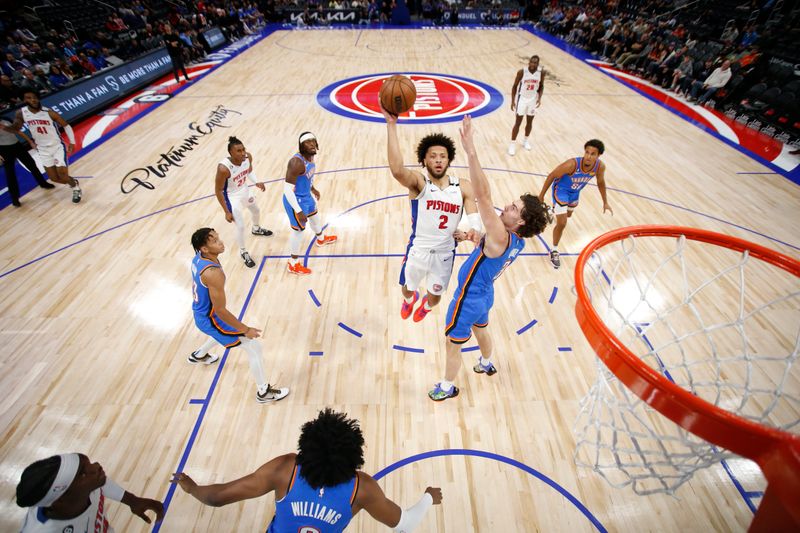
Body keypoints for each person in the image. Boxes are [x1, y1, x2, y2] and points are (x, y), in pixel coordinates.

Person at [429, 116, 551, 401]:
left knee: (452, 343)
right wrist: (471, 237)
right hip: (484, 296)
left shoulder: (500, 235)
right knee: (481, 328)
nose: (508, 206)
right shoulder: (514, 241)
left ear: (519, 222)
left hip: (467, 297)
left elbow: (482, 195)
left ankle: (447, 387)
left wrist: (470, 149)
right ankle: (486, 363)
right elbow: (489, 247)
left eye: (514, 209)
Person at [171, 408, 442, 532]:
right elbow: (405, 524)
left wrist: (192, 488)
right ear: (354, 457)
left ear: (305, 449)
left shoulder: (285, 469)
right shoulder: (362, 488)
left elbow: (217, 498)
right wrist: (429, 496)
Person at [381, 105, 480, 322]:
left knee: (435, 298)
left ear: (449, 160)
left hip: (445, 254)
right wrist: (391, 126)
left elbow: (475, 218)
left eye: (442, 156)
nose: (438, 160)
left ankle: (425, 305)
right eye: (432, 156)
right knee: (406, 290)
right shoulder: (419, 183)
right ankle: (410, 300)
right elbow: (397, 170)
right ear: (424, 160)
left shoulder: (463, 186)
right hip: (418, 251)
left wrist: (470, 232)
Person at [189, 227, 289, 403]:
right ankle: (263, 393)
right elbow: (220, 310)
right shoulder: (213, 273)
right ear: (204, 248)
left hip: (201, 313)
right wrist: (246, 329)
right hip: (211, 318)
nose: (220, 242)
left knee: (223, 334)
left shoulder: (198, 259)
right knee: (253, 347)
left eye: (218, 237)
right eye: (214, 241)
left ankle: (199, 355)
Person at [16, 452, 163, 531]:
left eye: (89, 464)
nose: (96, 467)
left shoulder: (87, 487)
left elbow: (101, 483)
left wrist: (132, 500)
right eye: (83, 473)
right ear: (60, 499)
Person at [537, 140, 612, 270]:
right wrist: (541, 195)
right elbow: (551, 176)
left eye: (593, 154)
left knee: (568, 215)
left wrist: (605, 201)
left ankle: (550, 212)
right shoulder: (571, 164)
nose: (588, 156)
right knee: (562, 223)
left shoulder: (600, 167)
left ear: (598, 155)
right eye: (587, 152)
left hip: (575, 193)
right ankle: (554, 251)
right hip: (561, 190)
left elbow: (601, 182)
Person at [11, 90, 82, 203]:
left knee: (63, 175)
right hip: (42, 149)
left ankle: (75, 188)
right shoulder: (22, 113)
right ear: (24, 100)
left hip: (56, 146)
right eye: (29, 98)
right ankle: (73, 182)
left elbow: (66, 126)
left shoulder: (48, 112)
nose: (33, 100)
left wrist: (72, 142)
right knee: (54, 178)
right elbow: (16, 128)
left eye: (34, 97)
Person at [283, 132, 337, 275]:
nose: (312, 144)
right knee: (298, 232)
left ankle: (321, 239)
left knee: (315, 218)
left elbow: (307, 177)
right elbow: (287, 190)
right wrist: (298, 211)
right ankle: (293, 263)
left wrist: (313, 188)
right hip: (295, 200)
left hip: (306, 195)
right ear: (301, 146)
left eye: (313, 141)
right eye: (308, 142)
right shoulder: (296, 163)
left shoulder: (310, 157)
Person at [215, 136, 273, 268]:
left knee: (256, 211)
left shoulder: (247, 157)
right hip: (231, 197)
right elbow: (218, 190)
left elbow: (249, 171)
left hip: (244, 190)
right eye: (238, 151)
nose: (243, 153)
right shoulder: (223, 168)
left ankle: (256, 229)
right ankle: (243, 252)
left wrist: (256, 181)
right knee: (240, 226)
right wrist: (226, 211)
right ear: (230, 153)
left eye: (243, 150)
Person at [0, 118, 54, 207]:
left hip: (17, 146)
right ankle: (15, 198)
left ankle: (43, 183)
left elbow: (18, 132)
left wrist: (30, 142)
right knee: (10, 174)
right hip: (4, 150)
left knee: (32, 164)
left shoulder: (6, 119)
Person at [508, 55, 545, 156]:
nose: (533, 64)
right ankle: (512, 144)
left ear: (538, 64)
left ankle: (525, 140)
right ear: (529, 62)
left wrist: (540, 98)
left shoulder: (541, 73)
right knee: (518, 122)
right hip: (522, 99)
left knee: (529, 122)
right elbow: (514, 86)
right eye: (532, 62)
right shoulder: (522, 72)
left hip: (532, 100)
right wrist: (512, 101)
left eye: (535, 63)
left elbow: (541, 86)